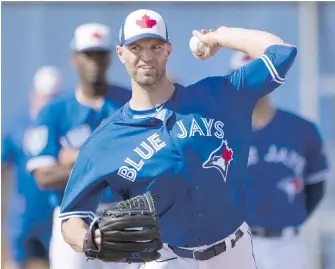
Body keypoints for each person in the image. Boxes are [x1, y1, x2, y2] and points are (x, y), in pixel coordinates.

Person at [60, 9, 298, 269]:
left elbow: (282, 52)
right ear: (120, 53)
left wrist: (220, 36)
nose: (146, 56)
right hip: (165, 258)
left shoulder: (218, 96)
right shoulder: (105, 141)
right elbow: (72, 217)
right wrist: (89, 239)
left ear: (168, 51)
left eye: (155, 46)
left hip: (234, 252)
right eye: (136, 47)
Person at [26, 23, 131, 269]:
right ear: (75, 58)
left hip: (122, 215)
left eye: (100, 54)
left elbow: (146, 163)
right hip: (71, 214)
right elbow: (44, 176)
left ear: (111, 57)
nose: (94, 62)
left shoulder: (130, 102)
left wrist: (78, 157)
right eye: (88, 54)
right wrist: (109, 162)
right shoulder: (54, 111)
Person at [229, 51, 329, 269]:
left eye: (260, 77)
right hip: (235, 244)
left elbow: (316, 187)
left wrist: (287, 216)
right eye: (244, 78)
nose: (252, 85)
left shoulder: (301, 129)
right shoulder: (221, 130)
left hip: (287, 245)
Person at [1, 65, 62, 269]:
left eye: (53, 97)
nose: (47, 103)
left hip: (53, 210)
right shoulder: (17, 126)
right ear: (34, 94)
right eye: (44, 96)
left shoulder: (63, 128)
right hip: (22, 212)